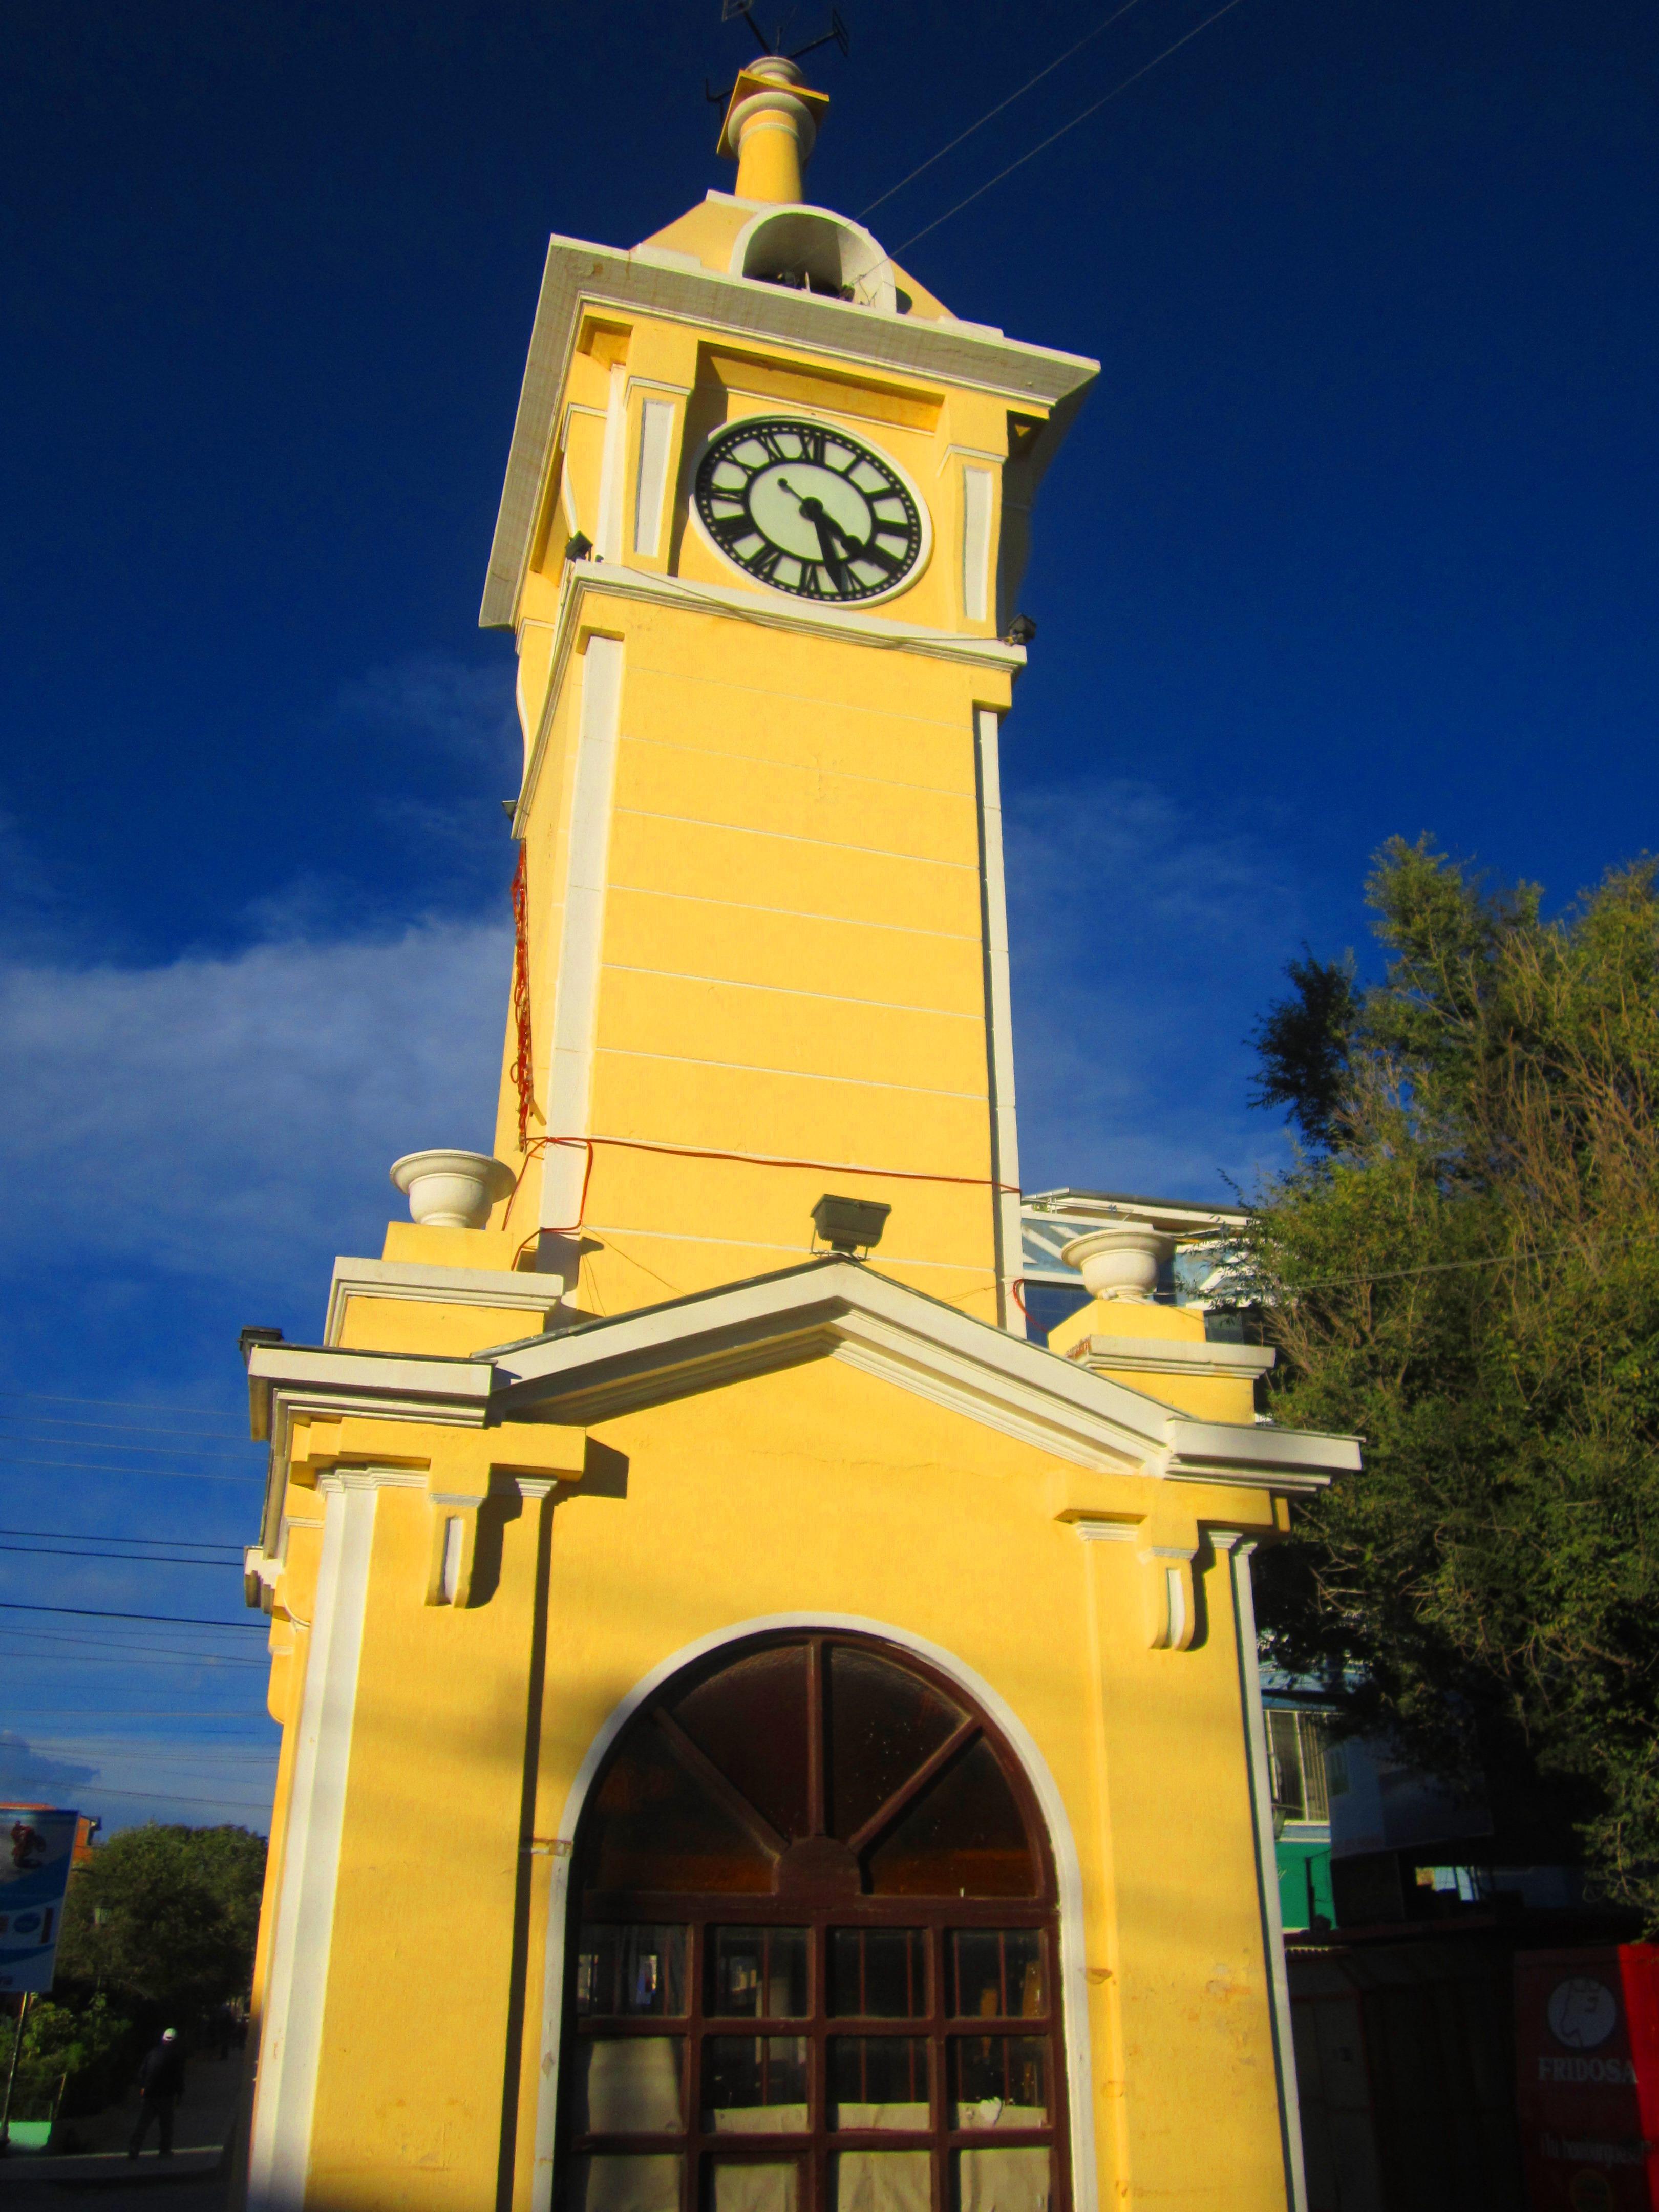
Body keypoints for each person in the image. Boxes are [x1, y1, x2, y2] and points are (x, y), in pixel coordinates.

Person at [126, 2029, 186, 2158]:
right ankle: (165, 2150)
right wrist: (180, 2094)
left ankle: (134, 2148)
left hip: (150, 2094)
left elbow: (142, 2073)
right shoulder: (175, 2055)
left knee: (143, 2124)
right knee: (166, 2125)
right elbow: (178, 2077)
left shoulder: (153, 2053)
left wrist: (143, 2087)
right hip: (166, 2096)